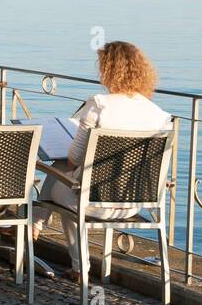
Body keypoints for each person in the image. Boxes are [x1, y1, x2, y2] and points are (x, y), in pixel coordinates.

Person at [34, 41, 173, 278]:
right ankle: (35, 228)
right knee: (65, 179)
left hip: (93, 205)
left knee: (60, 179)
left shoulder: (100, 105)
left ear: (108, 70)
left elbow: (74, 159)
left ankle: (42, 235)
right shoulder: (159, 115)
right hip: (132, 204)